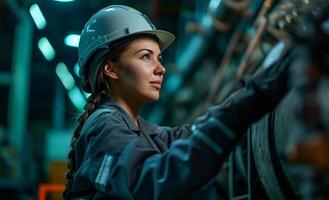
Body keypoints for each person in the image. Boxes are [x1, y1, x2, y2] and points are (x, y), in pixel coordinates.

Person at [63, 5, 295, 200]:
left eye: (159, 58)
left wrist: (246, 99)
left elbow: (190, 134)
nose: (160, 68)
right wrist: (251, 99)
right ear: (110, 68)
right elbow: (153, 180)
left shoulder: (142, 131)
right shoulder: (104, 127)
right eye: (145, 56)